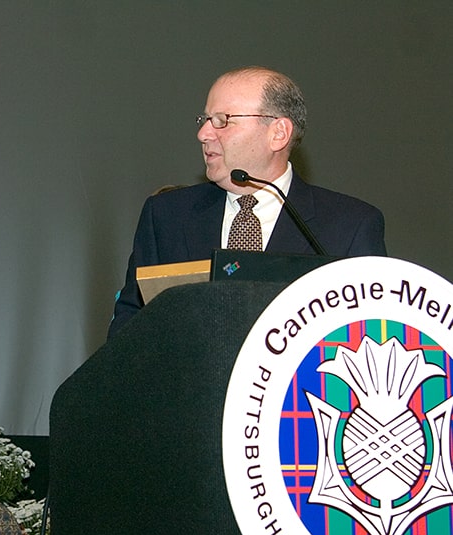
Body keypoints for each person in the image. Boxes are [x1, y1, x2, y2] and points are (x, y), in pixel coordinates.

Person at [108, 66, 386, 338]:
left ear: (278, 133)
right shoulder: (167, 216)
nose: (203, 134)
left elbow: (366, 334)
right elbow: (129, 327)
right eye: (204, 120)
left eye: (222, 120)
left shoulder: (349, 227)